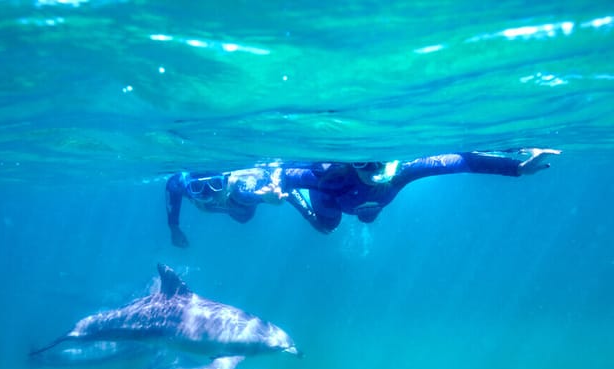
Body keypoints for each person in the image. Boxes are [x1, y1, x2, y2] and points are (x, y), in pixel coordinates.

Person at [267, 148, 561, 233]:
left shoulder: (405, 170)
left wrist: (518, 169)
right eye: (363, 161)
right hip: (330, 199)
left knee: (368, 215)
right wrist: (274, 190)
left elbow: (460, 160)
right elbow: (281, 173)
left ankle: (367, 215)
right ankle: (300, 204)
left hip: (367, 203)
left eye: (384, 159)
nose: (375, 169)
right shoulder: (328, 177)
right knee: (328, 226)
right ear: (350, 164)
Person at [165, 166, 294, 247]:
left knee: (242, 208)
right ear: (188, 187)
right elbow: (172, 185)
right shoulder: (178, 185)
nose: (207, 192)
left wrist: (272, 199)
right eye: (196, 187)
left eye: (216, 184)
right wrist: (174, 228)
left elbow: (267, 196)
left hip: (242, 212)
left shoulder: (241, 192)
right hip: (234, 210)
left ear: (226, 183)